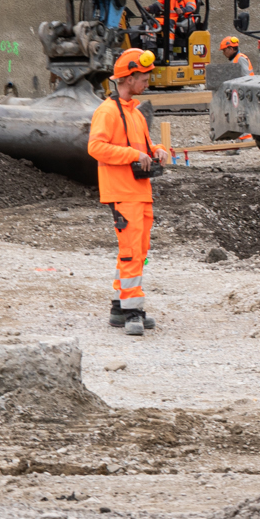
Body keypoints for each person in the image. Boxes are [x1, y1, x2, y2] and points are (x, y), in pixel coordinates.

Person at [87, 48, 172, 336]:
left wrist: (157, 151)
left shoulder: (134, 112)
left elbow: (143, 148)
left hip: (139, 191)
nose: (147, 81)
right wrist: (131, 155)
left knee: (139, 250)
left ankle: (119, 306)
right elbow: (95, 147)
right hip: (122, 191)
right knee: (131, 252)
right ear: (129, 77)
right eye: (144, 77)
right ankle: (133, 310)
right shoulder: (107, 111)